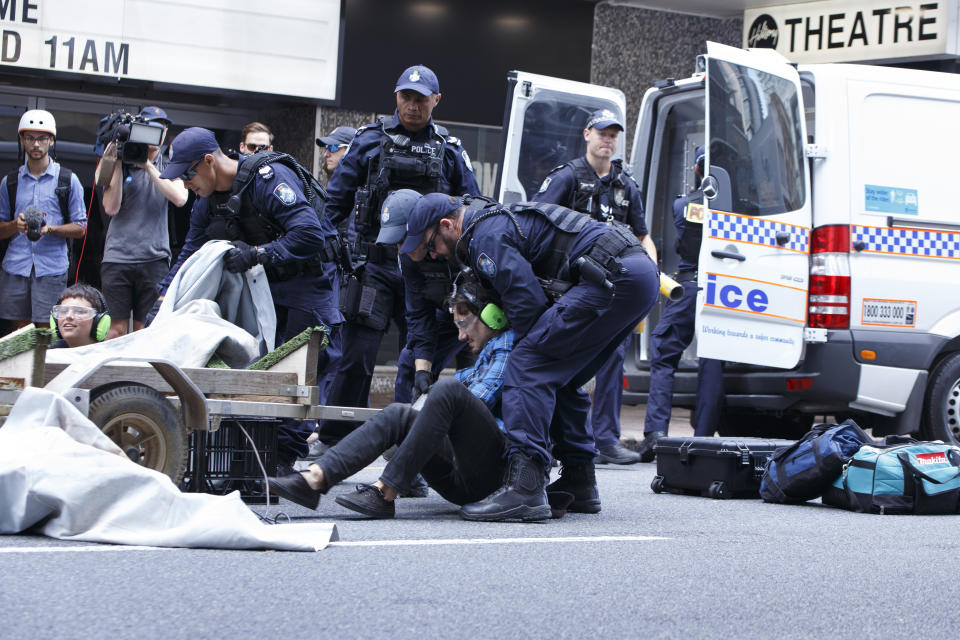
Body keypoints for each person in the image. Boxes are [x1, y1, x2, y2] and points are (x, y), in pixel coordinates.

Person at [402, 192, 660, 521]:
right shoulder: (491, 224)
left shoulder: (484, 237)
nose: (435, 256)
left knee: (528, 363)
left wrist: (520, 357)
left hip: (611, 274)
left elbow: (527, 303)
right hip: (633, 275)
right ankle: (580, 480)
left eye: (431, 246)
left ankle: (525, 486)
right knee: (564, 376)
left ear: (447, 225)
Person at [156, 127, 344, 472]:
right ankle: (258, 455)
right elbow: (190, 250)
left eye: (187, 174)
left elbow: (309, 234)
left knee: (302, 369)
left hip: (308, 280)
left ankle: (282, 458)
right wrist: (163, 298)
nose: (185, 184)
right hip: (267, 287)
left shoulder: (267, 178)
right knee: (264, 367)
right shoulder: (206, 199)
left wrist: (259, 253)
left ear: (209, 161)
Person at [318, 64, 480, 446]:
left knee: (418, 360)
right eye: (406, 97)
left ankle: (410, 444)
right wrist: (329, 248)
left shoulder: (450, 150)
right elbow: (334, 202)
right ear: (396, 97)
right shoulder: (369, 140)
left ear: (436, 101)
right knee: (357, 355)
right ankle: (337, 440)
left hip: (428, 272)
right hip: (374, 266)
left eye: (421, 99)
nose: (412, 106)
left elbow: (472, 205)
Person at [268, 280, 514, 519]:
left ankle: (385, 491)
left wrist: (431, 412)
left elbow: (474, 401)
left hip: (494, 478)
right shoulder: (482, 358)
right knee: (399, 413)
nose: (460, 336)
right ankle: (314, 479)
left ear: (492, 316)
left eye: (464, 324)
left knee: (445, 389)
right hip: (462, 477)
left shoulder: (507, 346)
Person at [533, 108, 657, 465]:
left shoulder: (625, 185)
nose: (608, 140)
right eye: (602, 133)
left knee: (613, 356)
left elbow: (643, 235)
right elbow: (537, 220)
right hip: (570, 285)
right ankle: (552, 438)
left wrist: (649, 269)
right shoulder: (567, 177)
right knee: (559, 352)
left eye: (614, 134)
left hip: (614, 286)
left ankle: (605, 439)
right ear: (587, 134)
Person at [640, 146, 724, 460]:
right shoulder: (738, 209)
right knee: (713, 360)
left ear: (697, 170)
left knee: (663, 353)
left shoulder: (683, 204)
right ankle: (704, 438)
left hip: (688, 287)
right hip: (721, 287)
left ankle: (656, 433)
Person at [100, 106, 188, 340]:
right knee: (116, 329)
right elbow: (111, 207)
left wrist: (147, 164)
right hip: (118, 257)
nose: (156, 135)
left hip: (154, 257)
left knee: (145, 329)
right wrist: (120, 161)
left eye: (162, 129)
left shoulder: (170, 161)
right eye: (150, 128)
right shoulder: (122, 159)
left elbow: (180, 198)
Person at [0, 110, 86, 330]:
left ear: (51, 140)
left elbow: (80, 227)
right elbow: (1, 229)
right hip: (16, 266)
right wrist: (14, 226)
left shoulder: (68, 179)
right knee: (20, 332)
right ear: (21, 140)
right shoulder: (9, 182)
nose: (36, 144)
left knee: (46, 330)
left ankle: (43, 367)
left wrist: (51, 229)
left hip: (51, 268)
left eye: (42, 138)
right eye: (30, 138)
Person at [49, 283, 111, 348]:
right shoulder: (47, 354)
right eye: (63, 311)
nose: (69, 316)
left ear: (98, 320)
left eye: (79, 311)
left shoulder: (112, 357)